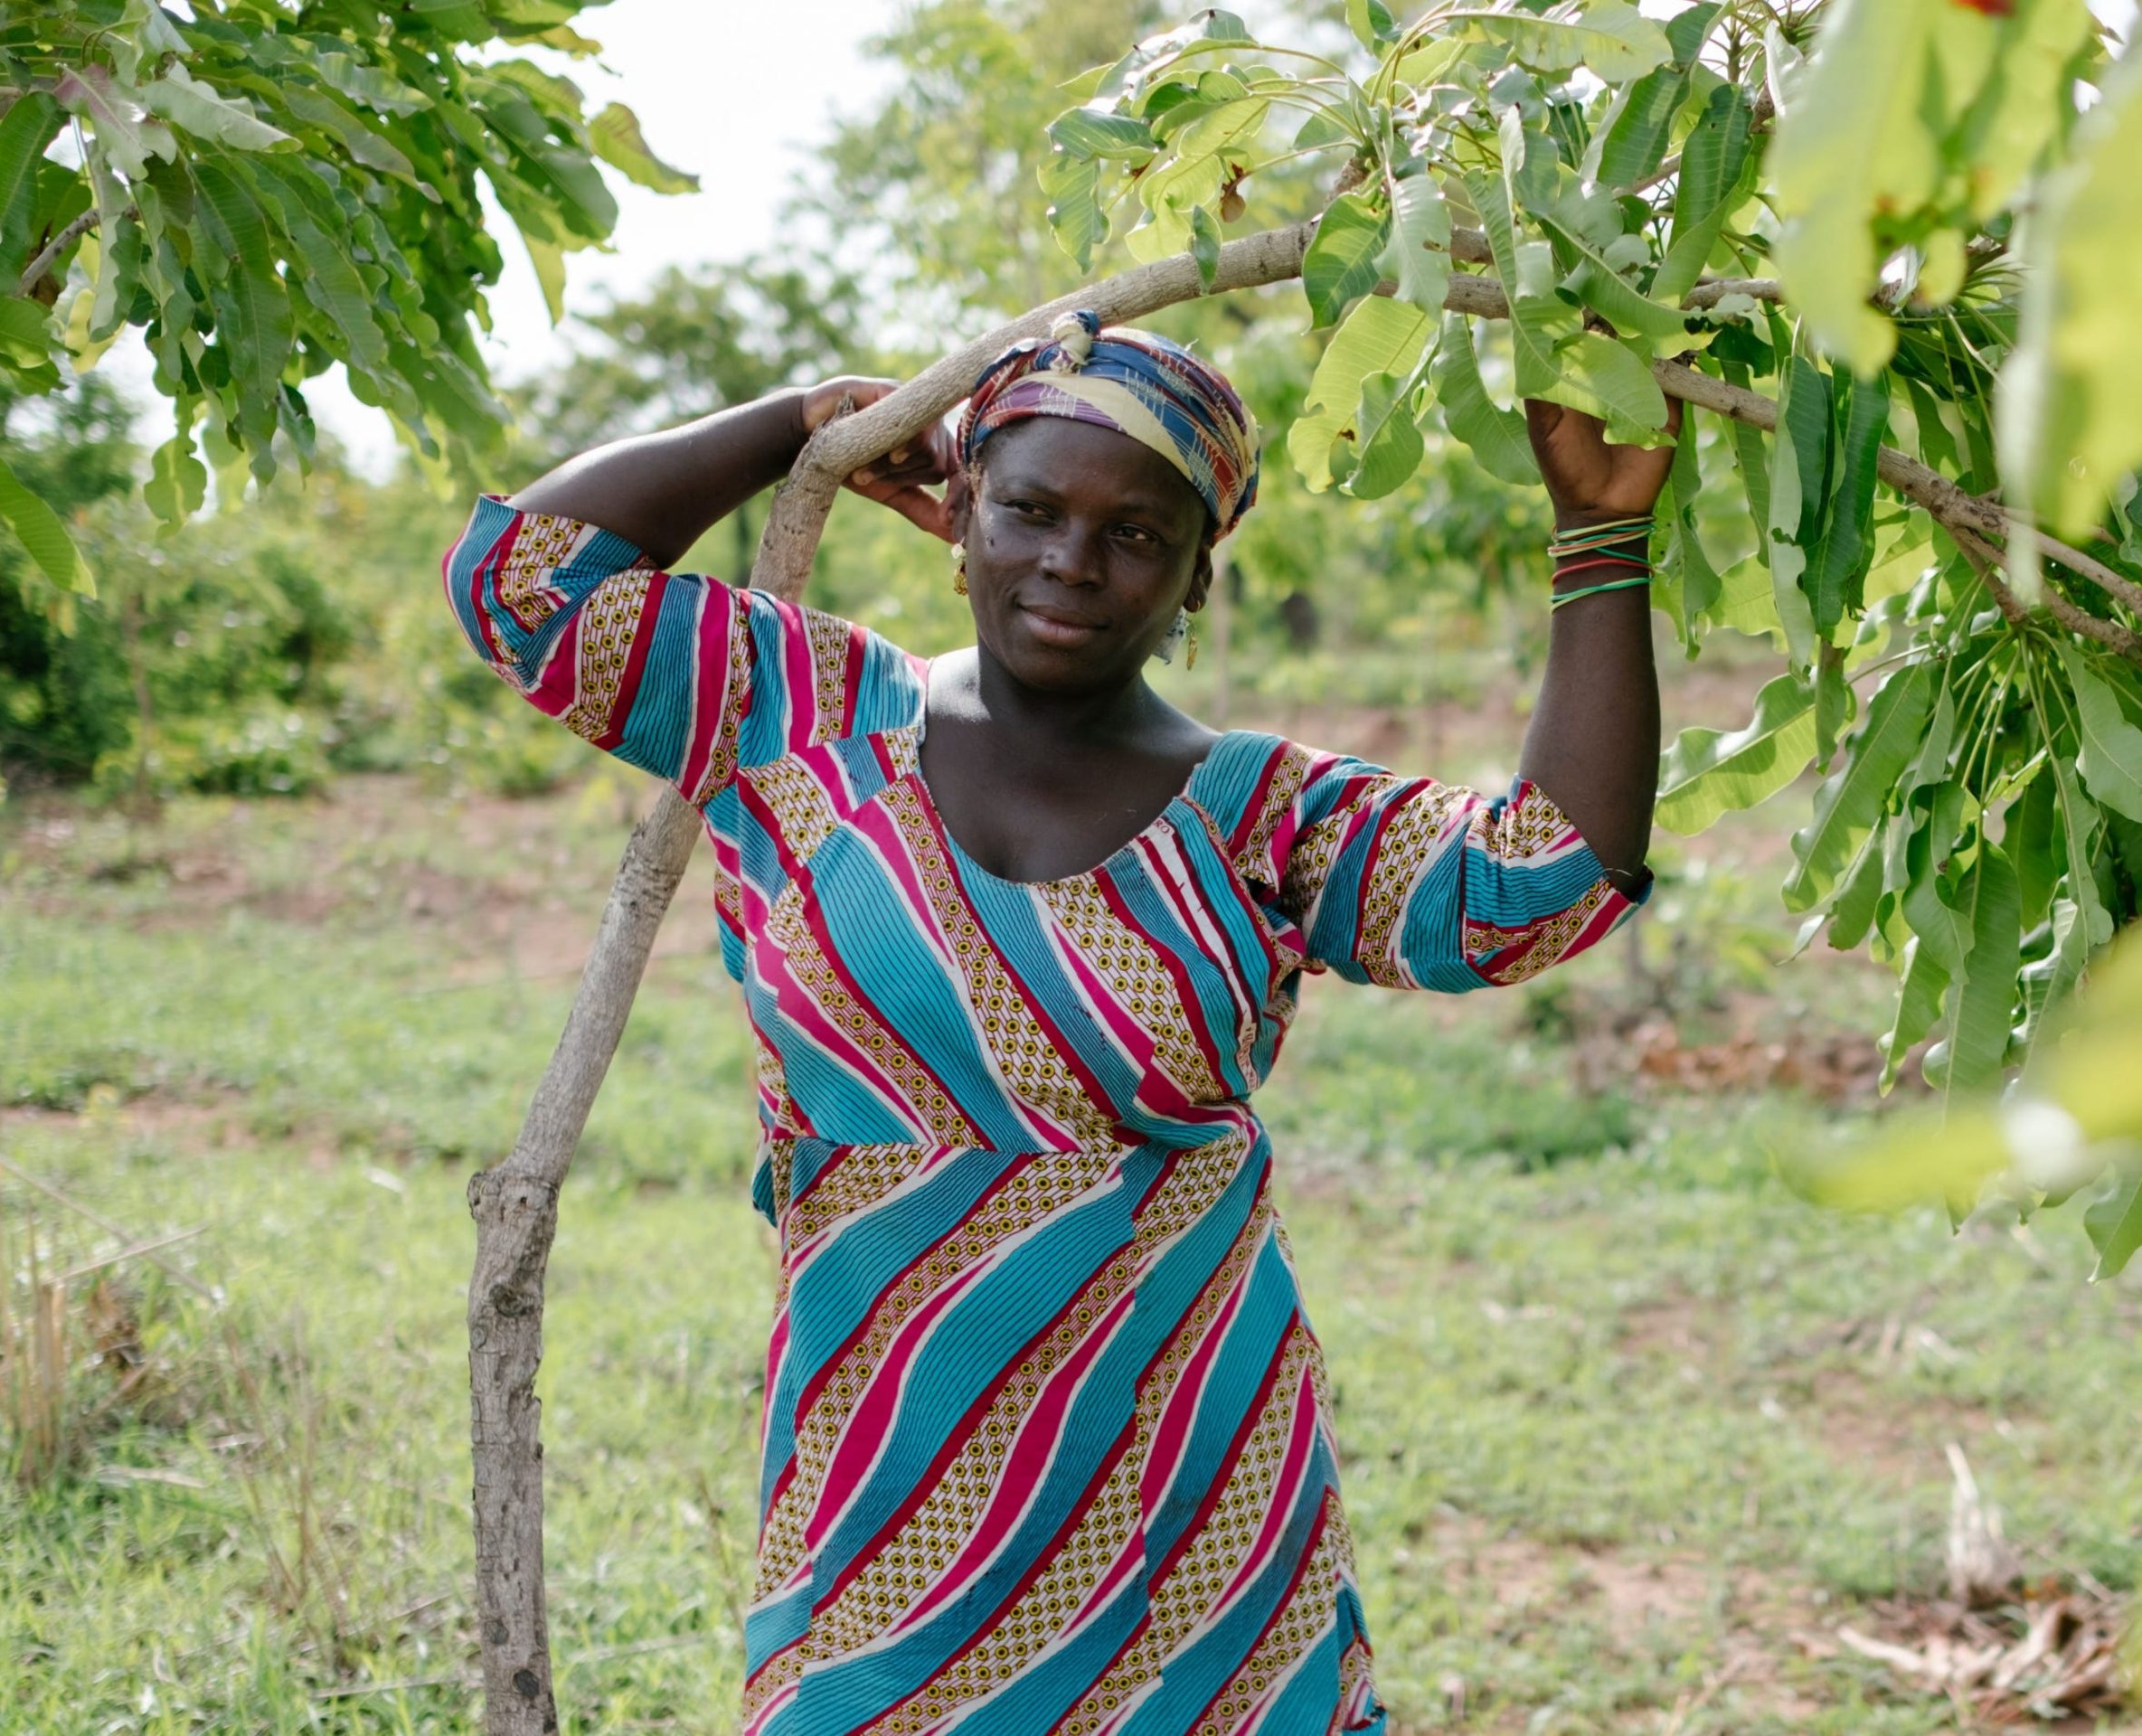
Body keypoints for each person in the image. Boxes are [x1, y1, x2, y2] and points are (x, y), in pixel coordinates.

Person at [443, 310, 1674, 1736]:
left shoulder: (1263, 818)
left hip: (1187, 1491)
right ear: (957, 510)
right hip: (886, 1464)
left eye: (1136, 534)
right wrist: (805, 423)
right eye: (1028, 509)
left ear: (1200, 570)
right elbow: (515, 581)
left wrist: (1600, 535)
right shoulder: (802, 716)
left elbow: (1541, 883)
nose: (1070, 565)